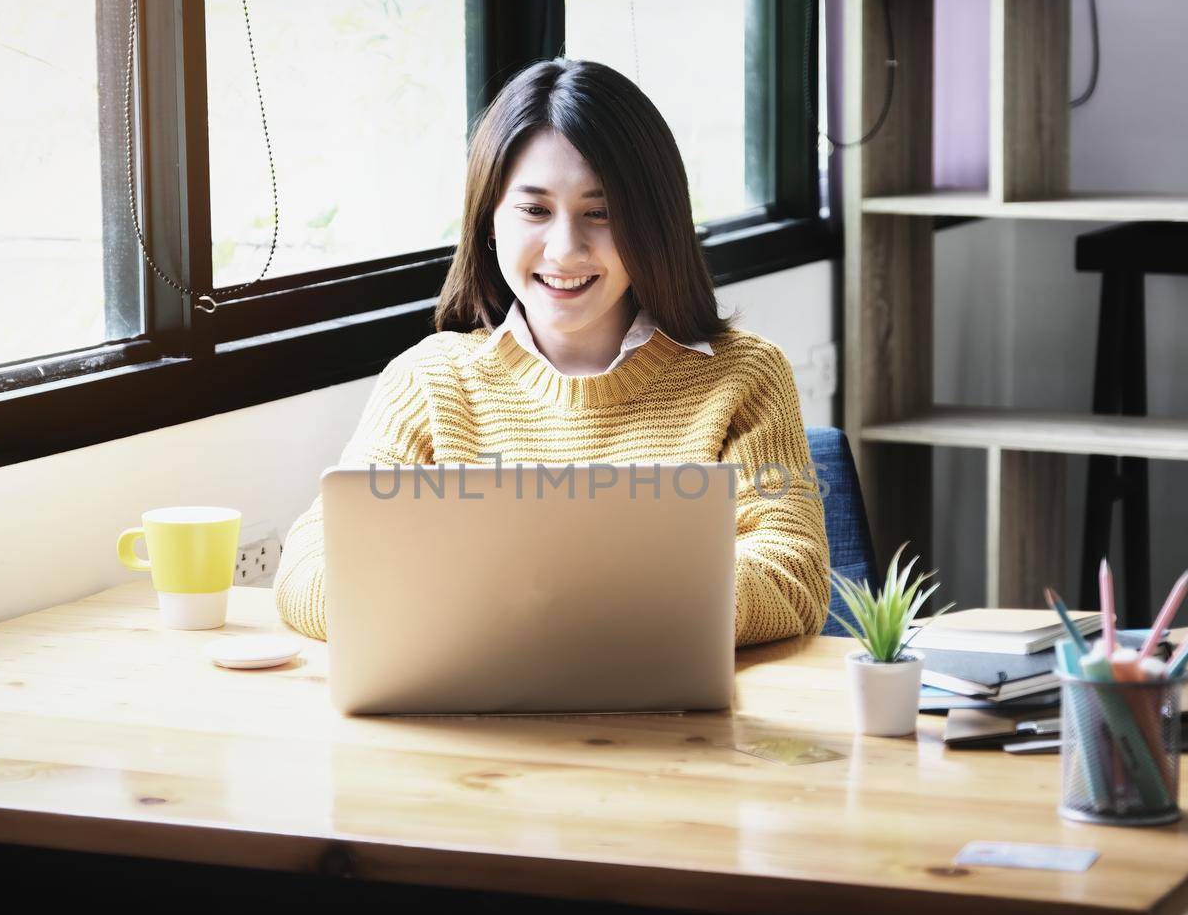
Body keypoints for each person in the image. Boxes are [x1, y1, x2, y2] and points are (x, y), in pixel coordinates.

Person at [275, 58, 829, 647]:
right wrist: (467, 614)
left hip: (670, 723)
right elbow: (310, 566)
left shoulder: (744, 376)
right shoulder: (430, 382)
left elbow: (793, 574)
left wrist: (611, 607)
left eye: (601, 213)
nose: (565, 250)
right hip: (474, 715)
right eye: (535, 211)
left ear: (654, 223)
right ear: (489, 222)